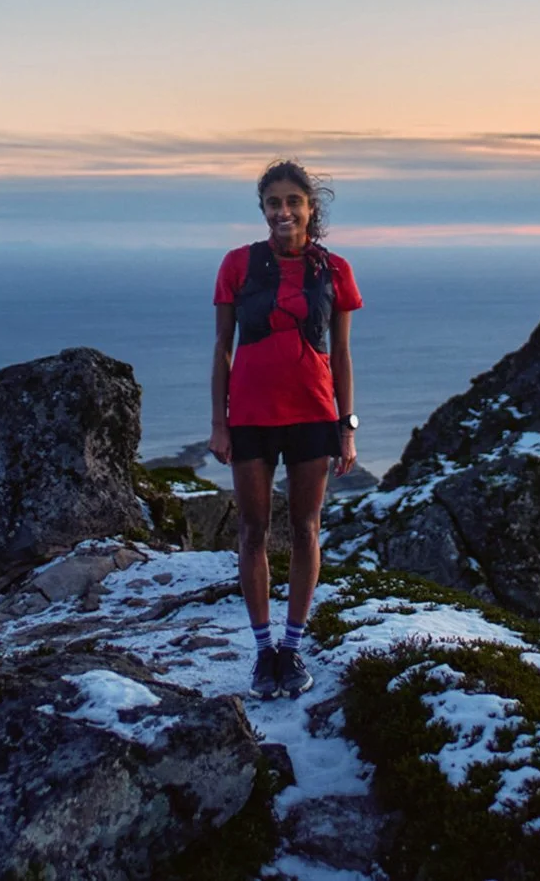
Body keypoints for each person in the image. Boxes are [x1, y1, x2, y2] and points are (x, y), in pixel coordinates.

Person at [209, 160, 363, 699]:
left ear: (310, 207)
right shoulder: (237, 264)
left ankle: (292, 648)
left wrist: (346, 427)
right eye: (273, 203)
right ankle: (262, 652)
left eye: (293, 202)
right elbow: (222, 348)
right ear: (263, 209)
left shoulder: (335, 270)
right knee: (252, 530)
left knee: (305, 529)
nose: (283, 211)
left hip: (313, 414)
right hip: (250, 415)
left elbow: (341, 354)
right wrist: (219, 424)